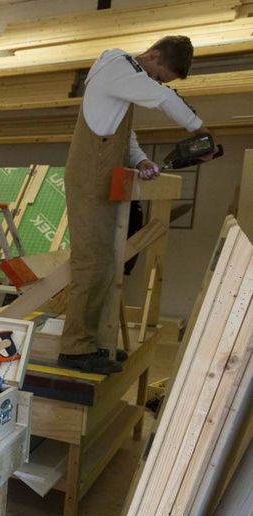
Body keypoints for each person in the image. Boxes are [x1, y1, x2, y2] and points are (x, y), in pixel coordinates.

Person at [59, 35, 211, 374]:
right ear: (153, 55)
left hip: (104, 179)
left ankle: (96, 344)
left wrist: (141, 161)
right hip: (88, 178)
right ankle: (74, 350)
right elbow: (161, 98)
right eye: (159, 75)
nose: (154, 83)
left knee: (108, 264)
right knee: (91, 264)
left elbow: (123, 136)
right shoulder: (117, 66)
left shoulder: (123, 79)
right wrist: (202, 131)